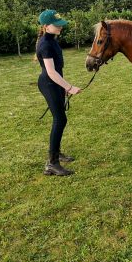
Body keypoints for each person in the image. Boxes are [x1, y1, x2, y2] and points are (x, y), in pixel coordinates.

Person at [35, 9, 81, 176]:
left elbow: (57, 71)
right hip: (49, 83)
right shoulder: (45, 44)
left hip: (55, 83)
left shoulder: (51, 39)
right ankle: (52, 163)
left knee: (60, 119)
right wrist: (69, 87)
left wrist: (63, 86)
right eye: (57, 25)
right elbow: (51, 72)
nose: (61, 27)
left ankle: (57, 153)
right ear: (46, 26)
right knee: (60, 119)